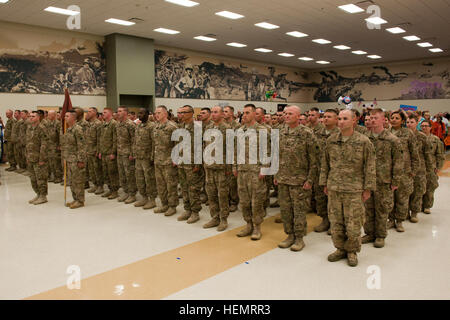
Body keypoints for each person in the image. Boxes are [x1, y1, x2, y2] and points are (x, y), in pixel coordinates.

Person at [319, 109, 376, 267]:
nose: (341, 121)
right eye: (340, 118)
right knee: (336, 222)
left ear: (354, 121)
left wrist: (368, 188)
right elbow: (325, 163)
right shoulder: (331, 140)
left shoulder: (363, 141)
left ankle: (351, 251)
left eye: (345, 118)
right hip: (334, 188)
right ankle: (340, 248)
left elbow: (370, 166)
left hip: (354, 189)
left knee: (353, 223)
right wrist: (324, 183)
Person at [275, 105, 317, 251]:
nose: (286, 116)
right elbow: (277, 155)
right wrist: (276, 174)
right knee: (286, 210)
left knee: (299, 210)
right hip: (283, 178)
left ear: (298, 116)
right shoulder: (281, 132)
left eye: (290, 114)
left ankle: (299, 238)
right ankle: (289, 235)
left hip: (300, 180)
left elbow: (314, 160)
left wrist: (310, 180)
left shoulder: (307, 133)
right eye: (285, 113)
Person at [362, 109, 402, 248]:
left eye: (375, 118)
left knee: (382, 209)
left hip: (384, 181)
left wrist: (395, 181)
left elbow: (398, 161)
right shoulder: (364, 138)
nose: (372, 120)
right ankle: (369, 233)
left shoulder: (392, 139)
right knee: (368, 208)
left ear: (383, 120)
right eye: (371, 118)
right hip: (367, 180)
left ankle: (380, 235)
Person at [234, 104, 269, 241]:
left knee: (256, 201)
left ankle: (257, 227)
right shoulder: (240, 130)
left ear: (254, 114)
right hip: (242, 170)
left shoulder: (262, 130)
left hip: (256, 171)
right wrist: (235, 167)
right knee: (244, 201)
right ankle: (248, 224)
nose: (244, 115)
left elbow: (267, 151)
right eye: (243, 113)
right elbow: (236, 151)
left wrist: (265, 169)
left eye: (248, 112)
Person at [388, 110, 420, 232]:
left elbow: (414, 153)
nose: (394, 120)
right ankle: (391, 220)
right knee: (390, 198)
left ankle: (400, 221)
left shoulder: (408, 133)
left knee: (402, 197)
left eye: (397, 118)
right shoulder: (386, 133)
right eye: (392, 117)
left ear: (402, 121)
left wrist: (414, 170)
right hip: (389, 171)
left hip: (404, 171)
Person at [203, 106, 232, 232]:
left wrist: (229, 167)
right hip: (209, 166)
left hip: (221, 168)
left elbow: (231, 149)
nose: (213, 115)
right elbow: (205, 146)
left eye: (216, 112)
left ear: (222, 115)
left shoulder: (227, 129)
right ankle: (214, 217)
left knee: (222, 194)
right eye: (212, 112)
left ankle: (224, 219)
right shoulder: (208, 128)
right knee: (211, 193)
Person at [313, 108, 340, 233]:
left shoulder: (340, 134)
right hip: (319, 170)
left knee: (334, 199)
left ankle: (335, 223)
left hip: (335, 172)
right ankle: (325, 220)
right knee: (320, 197)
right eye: (324, 116)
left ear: (336, 119)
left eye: (329, 117)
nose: (326, 119)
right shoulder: (317, 132)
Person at [176, 105, 203, 223]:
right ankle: (187, 210)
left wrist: (197, 163)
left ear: (191, 113)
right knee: (184, 188)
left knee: (193, 189)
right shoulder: (180, 126)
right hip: (182, 162)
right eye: (180, 112)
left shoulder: (198, 127)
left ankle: (195, 212)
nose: (181, 115)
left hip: (192, 163)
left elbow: (200, 146)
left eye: (184, 112)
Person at [152, 105, 179, 216]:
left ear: (165, 114)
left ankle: (172, 206)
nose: (156, 115)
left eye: (159, 113)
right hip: (158, 160)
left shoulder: (172, 126)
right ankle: (164, 204)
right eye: (155, 113)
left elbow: (178, 144)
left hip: (168, 161)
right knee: (160, 184)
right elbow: (155, 143)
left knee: (170, 185)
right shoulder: (156, 126)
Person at [406, 114, 432, 223]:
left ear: (417, 123)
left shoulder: (422, 137)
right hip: (406, 168)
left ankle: (414, 213)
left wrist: (429, 170)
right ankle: (405, 212)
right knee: (405, 192)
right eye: (407, 122)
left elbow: (428, 155)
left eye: (412, 122)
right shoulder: (403, 135)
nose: (409, 124)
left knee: (418, 191)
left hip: (420, 169)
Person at [133, 108, 158, 210]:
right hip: (139, 157)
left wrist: (152, 157)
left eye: (142, 113)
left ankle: (152, 200)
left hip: (147, 158)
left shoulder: (152, 126)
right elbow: (135, 141)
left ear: (148, 114)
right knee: (140, 178)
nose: (140, 114)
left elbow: (154, 143)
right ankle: (144, 197)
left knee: (149, 179)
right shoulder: (138, 126)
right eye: (139, 113)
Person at [63, 110, 87, 209]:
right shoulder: (69, 129)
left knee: (78, 181)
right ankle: (75, 199)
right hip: (70, 159)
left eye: (67, 116)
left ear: (73, 118)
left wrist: (81, 160)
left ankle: (80, 200)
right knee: (72, 181)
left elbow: (82, 146)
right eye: (65, 116)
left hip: (76, 160)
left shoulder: (78, 129)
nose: (65, 118)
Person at [421, 120, 445, 214]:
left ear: (430, 127)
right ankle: (418, 205)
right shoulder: (418, 138)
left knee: (430, 187)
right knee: (419, 188)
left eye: (426, 126)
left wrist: (438, 167)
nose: (424, 128)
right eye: (422, 126)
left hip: (431, 167)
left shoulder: (436, 140)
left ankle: (427, 206)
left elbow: (440, 155)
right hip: (420, 167)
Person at [26, 111, 49, 205]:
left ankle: (43, 196)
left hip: (39, 158)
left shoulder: (42, 128)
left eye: (33, 116)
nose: (31, 118)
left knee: (41, 178)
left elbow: (44, 144)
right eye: (30, 116)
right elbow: (28, 143)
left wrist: (42, 159)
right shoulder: (29, 128)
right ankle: (38, 194)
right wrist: (27, 156)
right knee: (33, 178)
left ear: (38, 117)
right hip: (31, 157)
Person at [116, 106, 138, 204]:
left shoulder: (130, 125)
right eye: (117, 111)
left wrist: (132, 153)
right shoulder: (118, 124)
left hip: (128, 153)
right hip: (120, 153)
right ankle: (126, 192)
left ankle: (132, 194)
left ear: (125, 113)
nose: (118, 113)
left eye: (120, 111)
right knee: (122, 174)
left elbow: (134, 140)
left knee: (129, 174)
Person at [98, 108, 119, 199]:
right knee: (106, 173)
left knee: (112, 173)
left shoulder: (113, 124)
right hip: (103, 152)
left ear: (110, 114)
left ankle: (114, 191)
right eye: (102, 112)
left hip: (110, 152)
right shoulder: (103, 124)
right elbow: (101, 139)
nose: (103, 114)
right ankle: (110, 189)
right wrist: (100, 151)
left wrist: (113, 152)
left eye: (105, 112)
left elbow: (115, 139)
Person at [224, 105, 240, 212]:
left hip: (232, 156)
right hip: (223, 157)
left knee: (232, 182)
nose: (223, 113)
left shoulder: (237, 126)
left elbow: (238, 144)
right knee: (224, 181)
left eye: (226, 111)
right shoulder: (222, 125)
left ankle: (234, 201)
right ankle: (226, 200)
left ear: (231, 113)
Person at [85, 107, 104, 195]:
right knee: (91, 170)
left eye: (90, 112)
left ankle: (100, 186)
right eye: (87, 111)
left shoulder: (98, 124)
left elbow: (100, 138)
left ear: (95, 113)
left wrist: (99, 150)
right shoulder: (88, 124)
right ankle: (95, 185)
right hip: (88, 150)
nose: (88, 113)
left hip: (95, 150)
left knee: (97, 169)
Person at [44, 110, 63, 184]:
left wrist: (59, 144)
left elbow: (60, 135)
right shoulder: (48, 123)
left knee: (56, 162)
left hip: (55, 145)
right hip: (49, 145)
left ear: (53, 115)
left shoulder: (58, 124)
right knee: (50, 162)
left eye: (49, 115)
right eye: (48, 115)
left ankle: (58, 177)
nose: (48, 116)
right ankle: (53, 176)